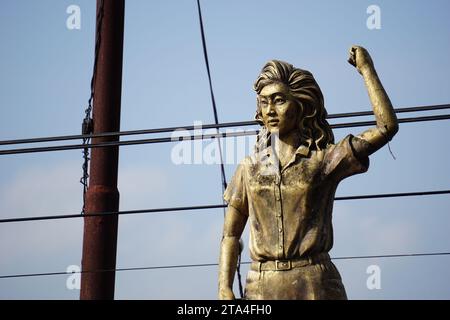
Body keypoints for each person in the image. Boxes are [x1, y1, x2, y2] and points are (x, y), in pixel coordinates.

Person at [218, 46, 399, 300]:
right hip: (260, 286)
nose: (270, 109)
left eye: (279, 100)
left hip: (315, 282)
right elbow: (230, 234)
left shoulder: (323, 160)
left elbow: (386, 127)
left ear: (301, 105)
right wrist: (224, 286)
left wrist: (366, 70)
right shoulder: (249, 169)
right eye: (264, 101)